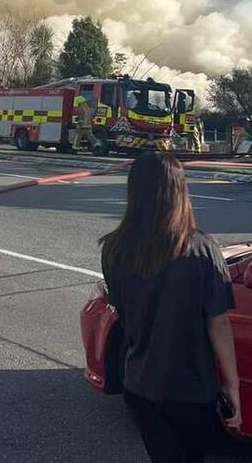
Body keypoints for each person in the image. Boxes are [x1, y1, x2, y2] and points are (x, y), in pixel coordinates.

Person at [99, 151, 241, 463]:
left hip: (139, 384)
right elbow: (218, 324)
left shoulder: (114, 248)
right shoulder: (203, 249)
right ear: (179, 192)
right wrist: (232, 386)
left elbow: (125, 309)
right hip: (192, 389)